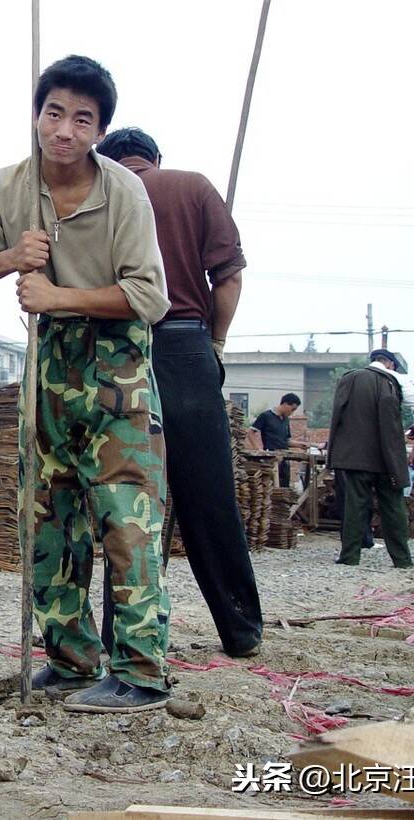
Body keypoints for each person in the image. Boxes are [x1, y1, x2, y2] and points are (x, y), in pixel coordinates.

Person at [0, 56, 172, 713]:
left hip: (115, 362)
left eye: (82, 119)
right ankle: (70, 660)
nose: (64, 130)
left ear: (100, 131)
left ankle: (141, 673)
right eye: (54, 112)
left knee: (126, 519)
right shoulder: (10, 189)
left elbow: (149, 297)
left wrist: (57, 294)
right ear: (37, 116)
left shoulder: (123, 191)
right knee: (47, 519)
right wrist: (12, 259)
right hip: (47, 362)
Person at [96, 127, 262, 658]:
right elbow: (229, 278)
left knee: (125, 497)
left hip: (119, 350)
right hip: (186, 345)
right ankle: (240, 631)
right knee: (209, 496)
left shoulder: (99, 196)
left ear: (106, 159)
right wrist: (214, 341)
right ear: (155, 157)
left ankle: (118, 635)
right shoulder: (192, 187)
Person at [327, 349, 414, 568]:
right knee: (393, 507)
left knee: (354, 506)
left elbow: (337, 415)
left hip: (355, 456)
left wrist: (336, 452)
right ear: (391, 365)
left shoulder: (349, 378)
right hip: (387, 457)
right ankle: (402, 560)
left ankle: (349, 557)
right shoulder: (395, 379)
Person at [252, 393, 303, 486]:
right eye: (292, 409)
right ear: (285, 404)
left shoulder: (286, 420)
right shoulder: (266, 416)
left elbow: (286, 441)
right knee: (273, 486)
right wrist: (258, 449)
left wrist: (301, 445)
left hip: (284, 458)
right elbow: (251, 432)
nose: (292, 412)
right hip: (272, 458)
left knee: (284, 486)